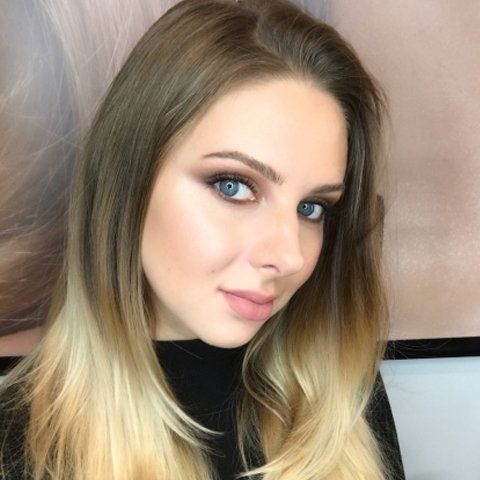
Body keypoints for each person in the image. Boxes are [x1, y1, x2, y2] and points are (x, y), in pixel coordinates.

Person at [0, 0, 405, 478]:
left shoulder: (339, 397)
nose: (289, 256)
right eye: (232, 186)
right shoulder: (17, 440)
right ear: (128, 181)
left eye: (312, 207)